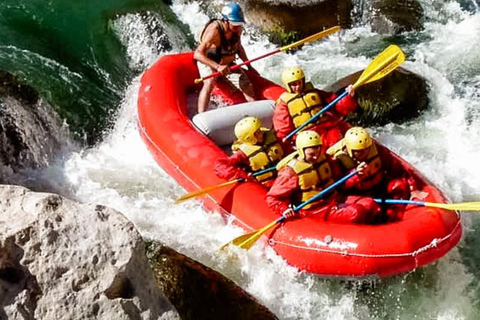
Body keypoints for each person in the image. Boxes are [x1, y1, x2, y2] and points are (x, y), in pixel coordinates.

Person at [266, 130, 381, 223]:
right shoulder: (290, 172)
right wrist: (284, 209)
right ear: (301, 151)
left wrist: (356, 173)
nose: (316, 157)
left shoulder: (325, 159)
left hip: (334, 199)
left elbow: (340, 182)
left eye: (318, 152)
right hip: (315, 209)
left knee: (370, 204)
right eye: (311, 154)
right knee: (356, 212)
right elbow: (272, 198)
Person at [326, 127, 419, 221]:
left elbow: (398, 169)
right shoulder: (337, 158)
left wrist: (413, 189)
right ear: (350, 150)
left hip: (377, 187)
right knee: (369, 206)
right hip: (354, 193)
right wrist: (356, 175)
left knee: (400, 185)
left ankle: (394, 216)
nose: (365, 153)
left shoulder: (377, 150)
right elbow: (338, 186)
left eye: (366, 149)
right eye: (360, 151)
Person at [273, 66, 357, 153]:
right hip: (308, 135)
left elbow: (336, 105)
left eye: (299, 83)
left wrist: (348, 96)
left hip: (328, 127)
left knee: (347, 138)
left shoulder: (315, 93)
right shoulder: (283, 104)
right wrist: (289, 144)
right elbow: (282, 129)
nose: (297, 87)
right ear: (288, 85)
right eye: (293, 84)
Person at [194, 2, 257, 113]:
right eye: (235, 24)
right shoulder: (214, 31)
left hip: (227, 63)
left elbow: (239, 48)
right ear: (226, 21)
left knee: (247, 84)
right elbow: (198, 54)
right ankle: (201, 114)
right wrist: (217, 67)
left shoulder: (237, 29)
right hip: (210, 61)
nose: (238, 26)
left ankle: (257, 112)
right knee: (210, 81)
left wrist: (249, 66)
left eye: (239, 23)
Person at [214, 116, 284, 187]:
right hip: (266, 183)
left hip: (283, 174)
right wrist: (242, 175)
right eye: (258, 132)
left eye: (259, 129)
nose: (262, 133)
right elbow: (220, 165)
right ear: (250, 138)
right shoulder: (242, 153)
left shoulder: (272, 136)